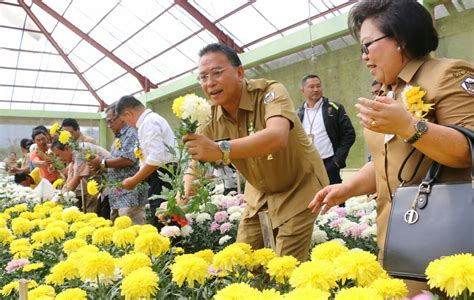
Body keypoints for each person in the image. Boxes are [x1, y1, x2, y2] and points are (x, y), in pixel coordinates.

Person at [308, 0, 473, 296]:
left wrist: (409, 126)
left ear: (400, 39)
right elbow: (386, 161)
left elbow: (468, 149)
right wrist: (347, 189)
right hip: (396, 234)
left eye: (368, 45)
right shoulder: (389, 91)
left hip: (442, 238)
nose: (364, 57)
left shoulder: (448, 74)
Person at [182, 43, 329, 262]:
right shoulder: (210, 114)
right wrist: (184, 193)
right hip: (259, 192)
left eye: (217, 73)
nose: (210, 83)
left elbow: (277, 137)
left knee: (285, 265)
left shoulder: (270, 92)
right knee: (243, 260)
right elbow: (197, 155)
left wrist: (220, 150)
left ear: (240, 72)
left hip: (299, 187)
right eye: (203, 77)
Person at [115, 95, 177, 229]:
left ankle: (173, 249)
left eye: (125, 121)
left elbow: (156, 159)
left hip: (163, 176)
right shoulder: (151, 121)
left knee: (165, 223)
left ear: (128, 113)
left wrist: (134, 180)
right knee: (166, 220)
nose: (128, 125)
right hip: (161, 175)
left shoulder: (149, 122)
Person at [88, 103, 148, 225]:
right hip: (118, 194)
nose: (109, 126)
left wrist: (103, 163)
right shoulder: (119, 137)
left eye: (111, 121)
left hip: (130, 195)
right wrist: (100, 166)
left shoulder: (131, 133)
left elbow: (129, 159)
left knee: (132, 230)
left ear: (121, 117)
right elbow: (115, 163)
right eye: (107, 122)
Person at [297, 75, 356, 184]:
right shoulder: (298, 114)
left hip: (330, 163)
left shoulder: (334, 108)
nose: (316, 89)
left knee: (334, 198)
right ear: (302, 90)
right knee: (312, 198)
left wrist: (337, 160)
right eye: (311, 87)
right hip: (308, 166)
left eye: (318, 86)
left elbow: (349, 134)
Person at [50, 139, 111, 216]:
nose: (59, 159)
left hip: (115, 181)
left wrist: (56, 203)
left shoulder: (81, 151)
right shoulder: (74, 155)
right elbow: (69, 180)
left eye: (58, 155)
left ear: (66, 148)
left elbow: (75, 181)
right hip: (106, 184)